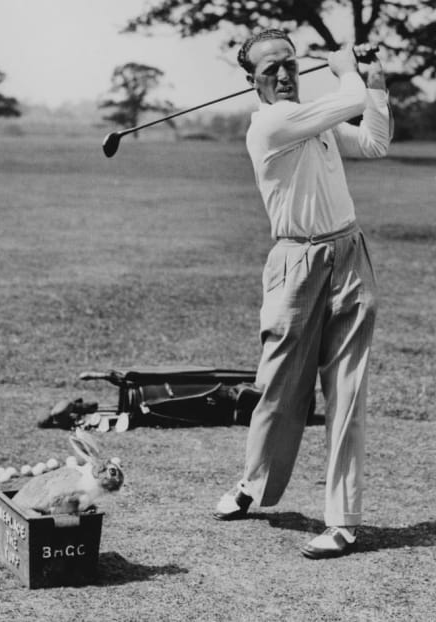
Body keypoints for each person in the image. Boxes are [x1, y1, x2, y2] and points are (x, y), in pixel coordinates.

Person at [213, 30, 393, 559]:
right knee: (280, 389)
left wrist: (375, 82)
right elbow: (350, 97)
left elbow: (375, 143)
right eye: (271, 69)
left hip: (349, 254)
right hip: (294, 262)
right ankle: (254, 484)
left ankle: (342, 521)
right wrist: (348, 69)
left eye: (289, 63)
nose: (285, 75)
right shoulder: (272, 123)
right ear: (254, 82)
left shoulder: (314, 118)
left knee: (347, 391)